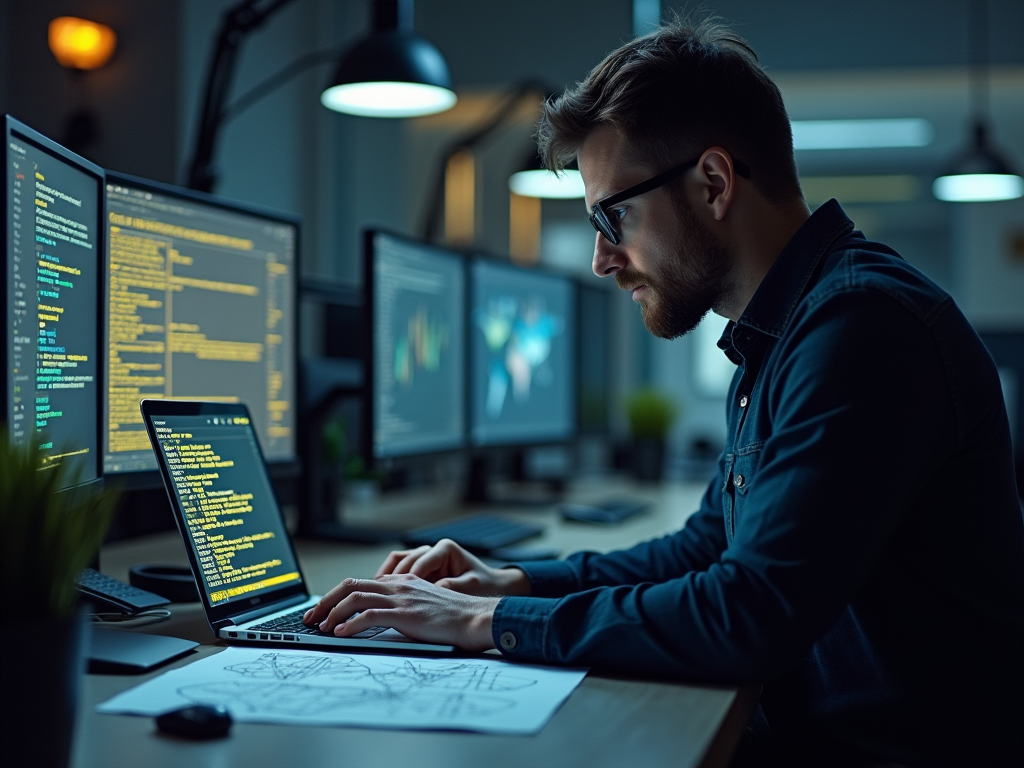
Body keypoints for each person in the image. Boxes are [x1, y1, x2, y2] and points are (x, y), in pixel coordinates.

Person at [305, 16, 1024, 767]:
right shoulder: (777, 334)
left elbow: (749, 614)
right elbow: (707, 547)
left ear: (713, 182)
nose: (600, 259)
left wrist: (490, 619)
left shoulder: (863, 327)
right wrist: (514, 579)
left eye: (612, 215)